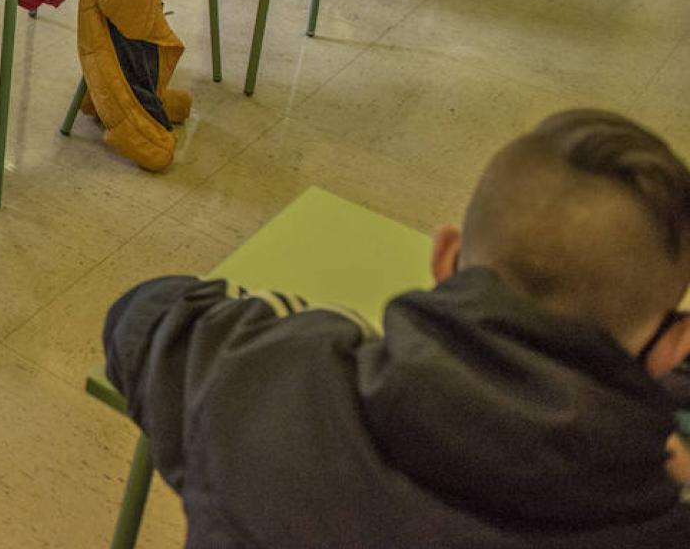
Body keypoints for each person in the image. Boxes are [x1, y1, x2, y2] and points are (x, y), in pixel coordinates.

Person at [103, 108, 690, 546]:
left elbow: (144, 313)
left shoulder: (267, 381)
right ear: (673, 347)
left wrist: (316, 334)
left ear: (445, 258)